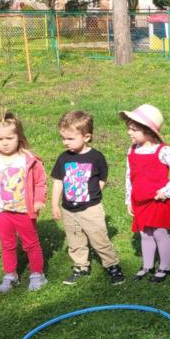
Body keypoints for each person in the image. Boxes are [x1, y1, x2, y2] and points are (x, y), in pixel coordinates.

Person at [0, 111, 47, 293]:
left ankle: (37, 274)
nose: (5, 143)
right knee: (7, 244)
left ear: (19, 136)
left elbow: (40, 182)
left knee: (31, 243)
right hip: (2, 212)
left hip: (24, 211)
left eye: (9, 138)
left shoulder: (29, 159)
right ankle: (10, 275)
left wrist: (39, 200)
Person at [51, 111, 125, 285]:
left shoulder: (96, 157)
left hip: (91, 209)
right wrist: (54, 204)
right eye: (63, 138)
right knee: (75, 240)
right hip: (68, 209)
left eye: (70, 139)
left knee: (99, 239)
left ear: (86, 137)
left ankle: (112, 266)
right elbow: (58, 181)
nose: (65, 142)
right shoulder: (63, 158)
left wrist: (94, 194)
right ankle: (81, 266)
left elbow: (102, 178)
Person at [122, 104, 170, 283]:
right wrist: (129, 199)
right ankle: (147, 265)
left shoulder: (163, 150)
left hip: (158, 200)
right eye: (129, 128)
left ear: (148, 131)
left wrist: (166, 191)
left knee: (159, 232)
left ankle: (165, 267)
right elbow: (129, 175)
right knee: (145, 233)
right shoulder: (132, 149)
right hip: (140, 200)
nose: (129, 132)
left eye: (133, 129)